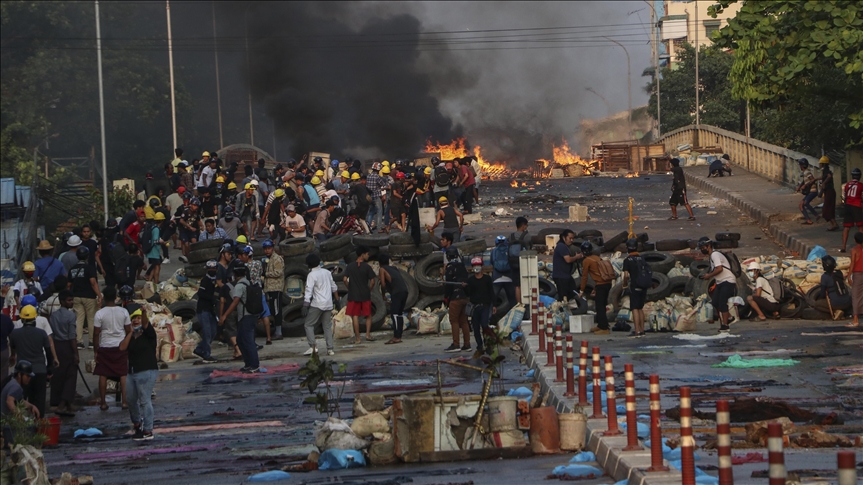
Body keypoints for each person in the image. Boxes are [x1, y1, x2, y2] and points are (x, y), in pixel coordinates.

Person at [117, 303, 157, 440]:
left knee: (145, 400)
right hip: (132, 371)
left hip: (147, 370)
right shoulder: (131, 336)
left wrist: (144, 313)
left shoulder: (148, 334)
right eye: (133, 319)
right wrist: (130, 332)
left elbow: (146, 324)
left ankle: (148, 430)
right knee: (131, 399)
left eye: (138, 318)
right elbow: (122, 348)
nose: (136, 321)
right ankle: (137, 424)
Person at [8, 305, 55, 418]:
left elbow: (13, 348)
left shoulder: (15, 333)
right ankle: (38, 426)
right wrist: (49, 368)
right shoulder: (42, 333)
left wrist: (13, 355)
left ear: (22, 320)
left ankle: (23, 425)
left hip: (22, 374)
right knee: (39, 400)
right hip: (40, 370)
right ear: (35, 319)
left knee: (22, 400)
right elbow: (49, 352)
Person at [93, 286, 131, 410]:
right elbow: (128, 330)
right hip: (120, 346)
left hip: (105, 346)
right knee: (123, 373)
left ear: (103, 297)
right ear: (116, 297)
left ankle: (103, 403)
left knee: (103, 374)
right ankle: (125, 401)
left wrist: (96, 350)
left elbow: (96, 333)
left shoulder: (99, 313)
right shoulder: (123, 311)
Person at [220, 262, 260, 373]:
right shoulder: (248, 283)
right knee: (241, 340)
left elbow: (235, 302)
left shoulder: (239, 286)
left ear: (234, 274)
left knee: (247, 341)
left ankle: (254, 365)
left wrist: (224, 315)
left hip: (245, 316)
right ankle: (248, 364)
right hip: (250, 315)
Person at [301, 253, 339, 355]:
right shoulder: (327, 272)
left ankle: (313, 347)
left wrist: (305, 305)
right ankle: (330, 349)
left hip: (317, 304)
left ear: (308, 264)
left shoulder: (311, 275)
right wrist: (337, 300)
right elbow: (334, 287)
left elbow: (309, 290)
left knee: (308, 325)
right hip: (328, 303)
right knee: (326, 326)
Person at [48, 290, 78, 416]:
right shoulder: (71, 316)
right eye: (69, 300)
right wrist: (76, 353)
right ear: (62, 302)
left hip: (56, 346)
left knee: (59, 375)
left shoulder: (53, 315)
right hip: (67, 346)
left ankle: (67, 404)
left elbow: (52, 334)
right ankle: (63, 404)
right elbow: (72, 336)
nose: (71, 302)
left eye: (72, 300)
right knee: (71, 376)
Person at [698, 239, 736, 332]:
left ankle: (725, 325)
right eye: (701, 248)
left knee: (722, 302)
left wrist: (709, 276)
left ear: (709, 246)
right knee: (715, 302)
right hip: (720, 282)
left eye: (704, 247)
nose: (703, 250)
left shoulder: (715, 255)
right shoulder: (712, 257)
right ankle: (730, 318)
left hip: (728, 281)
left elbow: (719, 269)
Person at [68, 245, 102, 349]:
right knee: (91, 318)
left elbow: (69, 285)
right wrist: (99, 295)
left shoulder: (72, 269)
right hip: (89, 296)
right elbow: (93, 282)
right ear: (87, 256)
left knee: (79, 319)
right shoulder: (90, 268)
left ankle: (79, 342)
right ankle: (91, 342)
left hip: (76, 297)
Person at [343, 246, 377, 344]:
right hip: (365, 294)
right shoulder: (367, 267)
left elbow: (345, 279)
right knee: (368, 315)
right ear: (362, 255)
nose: (368, 256)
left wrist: (349, 287)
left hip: (353, 294)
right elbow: (373, 281)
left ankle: (357, 339)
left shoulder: (350, 266)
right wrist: (368, 289)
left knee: (355, 316)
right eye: (367, 254)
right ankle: (367, 335)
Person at [2, 361, 41, 447]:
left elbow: (21, 400)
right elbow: (9, 401)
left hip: (6, 420)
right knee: (29, 425)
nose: (29, 378)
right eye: (27, 376)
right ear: (19, 375)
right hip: (6, 422)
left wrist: (31, 406)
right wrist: (19, 416)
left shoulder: (13, 383)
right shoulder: (15, 386)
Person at [465, 256, 495, 357]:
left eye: (478, 265)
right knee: (476, 327)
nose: (476, 268)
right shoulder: (470, 280)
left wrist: (493, 305)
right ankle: (479, 346)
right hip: (475, 307)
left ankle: (488, 345)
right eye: (474, 266)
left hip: (485, 306)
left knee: (485, 325)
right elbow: (468, 293)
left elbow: (491, 292)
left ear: (482, 266)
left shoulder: (487, 279)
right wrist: (465, 287)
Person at [580, 241, 612, 334]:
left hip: (601, 285)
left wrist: (582, 290)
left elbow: (584, 277)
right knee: (601, 305)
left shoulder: (586, 261)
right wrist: (595, 287)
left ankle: (604, 328)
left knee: (599, 306)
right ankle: (601, 325)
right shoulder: (597, 258)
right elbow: (599, 274)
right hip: (606, 283)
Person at [443, 247, 471, 353]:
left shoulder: (450, 267)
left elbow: (448, 285)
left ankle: (456, 344)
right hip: (464, 297)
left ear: (448, 256)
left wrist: (446, 298)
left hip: (455, 298)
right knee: (464, 321)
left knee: (454, 321)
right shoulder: (462, 266)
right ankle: (467, 344)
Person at [193, 261, 220, 364]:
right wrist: (211, 298)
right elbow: (200, 293)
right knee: (207, 333)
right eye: (210, 269)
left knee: (213, 332)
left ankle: (199, 349)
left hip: (211, 311)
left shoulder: (216, 281)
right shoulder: (206, 280)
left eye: (214, 269)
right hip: (203, 310)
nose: (212, 271)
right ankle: (206, 355)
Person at [378, 255, 408, 345]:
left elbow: (383, 284)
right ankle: (399, 335)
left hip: (397, 292)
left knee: (394, 314)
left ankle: (396, 337)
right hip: (404, 290)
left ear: (379, 263)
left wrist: (383, 294)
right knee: (399, 314)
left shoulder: (382, 269)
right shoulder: (394, 268)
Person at [621, 238, 647, 337]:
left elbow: (626, 275)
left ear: (627, 248)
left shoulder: (627, 260)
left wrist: (624, 284)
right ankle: (642, 330)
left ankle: (637, 331)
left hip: (635, 285)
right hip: (643, 285)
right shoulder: (642, 258)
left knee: (634, 308)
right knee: (640, 308)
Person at [262, 240, 285, 341]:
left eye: (269, 248)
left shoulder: (277, 259)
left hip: (276, 288)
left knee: (276, 310)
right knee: (272, 310)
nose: (267, 251)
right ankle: (275, 330)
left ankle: (279, 332)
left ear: (273, 248)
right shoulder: (268, 259)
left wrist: (266, 274)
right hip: (269, 288)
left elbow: (278, 272)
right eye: (265, 249)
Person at [552, 230, 583, 302]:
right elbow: (568, 260)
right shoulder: (561, 246)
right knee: (563, 296)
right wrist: (577, 257)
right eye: (570, 238)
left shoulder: (565, 247)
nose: (572, 240)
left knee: (572, 292)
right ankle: (562, 310)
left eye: (573, 238)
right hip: (561, 276)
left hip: (566, 275)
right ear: (564, 237)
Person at [840, 168, 863, 253]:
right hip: (856, 206)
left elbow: (845, 195)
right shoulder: (861, 185)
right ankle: (861, 246)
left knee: (847, 227)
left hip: (848, 206)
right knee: (860, 227)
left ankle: (843, 247)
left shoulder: (847, 185)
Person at [142, 212, 165, 284]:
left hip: (152, 252)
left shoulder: (153, 227)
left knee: (154, 267)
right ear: (162, 221)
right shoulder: (156, 229)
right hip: (154, 252)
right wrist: (161, 241)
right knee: (157, 267)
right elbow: (155, 240)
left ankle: (149, 282)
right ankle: (156, 282)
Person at [795, 158, 819, 225]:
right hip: (811, 191)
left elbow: (813, 180)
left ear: (802, 166)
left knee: (803, 204)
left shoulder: (807, 172)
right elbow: (804, 181)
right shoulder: (805, 172)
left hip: (812, 191)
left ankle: (810, 219)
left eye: (800, 165)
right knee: (803, 204)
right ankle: (815, 216)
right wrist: (799, 187)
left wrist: (805, 185)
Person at [817, 156, 839, 231]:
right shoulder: (825, 171)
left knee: (826, 209)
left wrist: (824, 183)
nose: (819, 165)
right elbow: (824, 176)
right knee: (829, 208)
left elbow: (829, 176)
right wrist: (815, 179)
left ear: (823, 164)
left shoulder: (826, 170)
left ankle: (834, 223)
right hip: (828, 192)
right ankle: (833, 224)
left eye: (820, 163)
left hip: (830, 191)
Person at [847, 232, 863, 328]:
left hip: (858, 275)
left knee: (855, 296)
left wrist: (849, 275)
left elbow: (853, 263)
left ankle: (855, 320)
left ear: (855, 240)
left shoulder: (854, 250)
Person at [365, 163, 384, 232]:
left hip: (370, 197)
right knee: (379, 212)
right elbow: (383, 184)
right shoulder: (377, 176)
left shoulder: (368, 176)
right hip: (376, 197)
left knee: (371, 212)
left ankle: (368, 226)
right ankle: (379, 228)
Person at [0, 313, 13, 379]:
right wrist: (13, 354)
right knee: (3, 377)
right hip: (3, 352)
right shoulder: (6, 319)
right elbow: (12, 338)